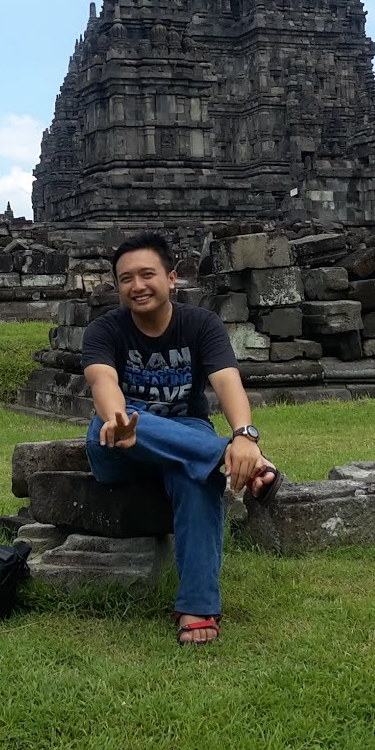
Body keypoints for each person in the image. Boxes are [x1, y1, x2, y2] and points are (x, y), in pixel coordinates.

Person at [82, 232, 281, 646]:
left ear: (171, 278)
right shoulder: (104, 330)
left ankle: (198, 606)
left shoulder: (200, 324)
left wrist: (244, 432)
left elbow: (227, 382)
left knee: (198, 478)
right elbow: (103, 380)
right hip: (119, 437)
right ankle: (230, 457)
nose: (137, 286)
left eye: (147, 274)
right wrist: (119, 420)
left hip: (187, 434)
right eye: (125, 279)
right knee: (130, 421)